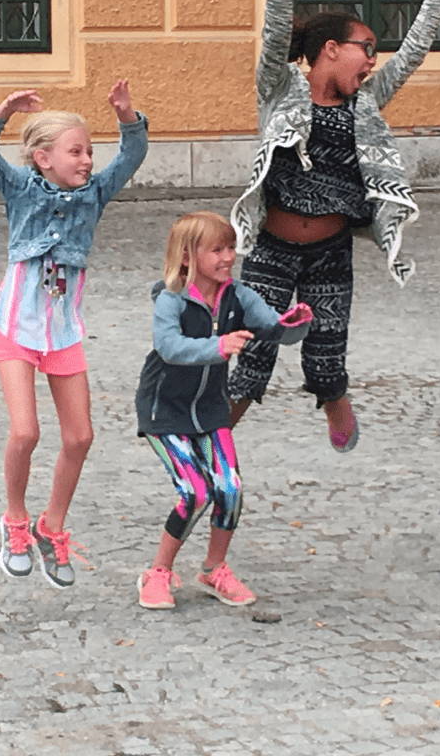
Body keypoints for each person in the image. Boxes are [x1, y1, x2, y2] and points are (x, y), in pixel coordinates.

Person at [228, 0, 440, 449]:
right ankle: (212, 444)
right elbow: (276, 27)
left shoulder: (368, 101)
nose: (374, 61)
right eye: (366, 50)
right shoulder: (279, 88)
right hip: (273, 250)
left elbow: (414, 56)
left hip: (330, 250)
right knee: (251, 355)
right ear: (330, 50)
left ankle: (334, 399)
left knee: (326, 357)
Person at [0, 81, 148, 587]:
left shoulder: (95, 193)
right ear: (44, 158)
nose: (88, 160)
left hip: (63, 328)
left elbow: (132, 155)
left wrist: (127, 116)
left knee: (81, 436)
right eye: (77, 151)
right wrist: (1, 112)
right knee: (26, 432)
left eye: (90, 151)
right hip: (16, 325)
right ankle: (16, 522)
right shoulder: (20, 188)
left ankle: (52, 527)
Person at [134, 211, 312, 610]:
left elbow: (273, 327)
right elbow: (169, 347)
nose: (228, 256)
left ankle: (215, 568)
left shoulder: (239, 295)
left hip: (211, 408)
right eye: (216, 249)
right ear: (186, 256)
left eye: (231, 247)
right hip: (165, 410)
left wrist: (294, 324)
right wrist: (217, 347)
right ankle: (158, 573)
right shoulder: (171, 299)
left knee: (229, 488)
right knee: (195, 492)